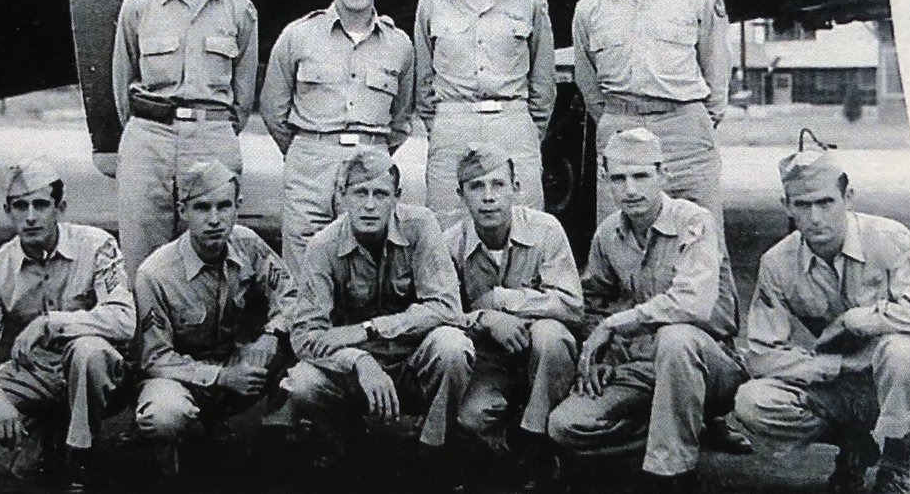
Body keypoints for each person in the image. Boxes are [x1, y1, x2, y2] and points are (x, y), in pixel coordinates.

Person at [734, 139, 910, 494]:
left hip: (905, 384)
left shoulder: (889, 238)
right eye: (802, 205)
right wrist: (838, 366)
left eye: (826, 202)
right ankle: (854, 442)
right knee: (752, 401)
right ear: (786, 207)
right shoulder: (777, 263)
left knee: (903, 352)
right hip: (841, 382)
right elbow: (760, 355)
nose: (816, 217)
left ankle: (895, 461)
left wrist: (859, 320)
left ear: (848, 197)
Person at [548, 129, 745, 494]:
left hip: (710, 364)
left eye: (641, 176)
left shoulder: (695, 221)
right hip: (640, 367)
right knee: (565, 426)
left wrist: (618, 323)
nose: (631, 189)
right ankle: (674, 430)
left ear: (663, 175)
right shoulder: (608, 234)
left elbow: (693, 303)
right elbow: (593, 301)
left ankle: (672, 474)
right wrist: (604, 351)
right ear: (606, 180)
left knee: (676, 338)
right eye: (619, 178)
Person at [0, 158, 134, 489]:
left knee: (86, 350)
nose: (30, 217)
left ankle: (79, 456)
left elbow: (124, 319)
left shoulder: (97, 245)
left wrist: (50, 323)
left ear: (61, 207)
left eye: (41, 205)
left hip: (100, 376)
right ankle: (40, 435)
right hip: (37, 376)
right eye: (20, 206)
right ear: (7, 210)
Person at [282, 148, 474, 454]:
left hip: (413, 360)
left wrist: (371, 328)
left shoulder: (421, 226)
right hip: (355, 369)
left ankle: (434, 446)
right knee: (303, 382)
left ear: (397, 196)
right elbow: (305, 335)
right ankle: (349, 441)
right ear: (342, 195)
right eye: (360, 193)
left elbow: (447, 307)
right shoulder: (323, 247)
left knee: (452, 346)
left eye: (381, 194)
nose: (370, 205)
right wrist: (359, 360)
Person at [111, 0, 258, 281]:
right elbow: (123, 83)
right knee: (142, 261)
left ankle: (208, 342)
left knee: (211, 256)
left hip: (211, 136)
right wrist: (153, 128)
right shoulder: (139, 5)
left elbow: (242, 99)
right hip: (150, 140)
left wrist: (207, 129)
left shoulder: (239, 9)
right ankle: (148, 344)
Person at [571, 0, 731, 232]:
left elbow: (716, 75)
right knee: (619, 242)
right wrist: (619, 121)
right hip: (621, 128)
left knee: (703, 243)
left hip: (685, 133)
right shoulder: (590, 8)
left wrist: (692, 121)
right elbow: (589, 83)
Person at [260, 0, 414, 275]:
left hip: (369, 166)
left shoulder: (399, 45)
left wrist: (374, 153)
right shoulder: (298, 36)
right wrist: (307, 149)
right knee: (302, 268)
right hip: (310, 163)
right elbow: (273, 108)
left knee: (360, 269)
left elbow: (401, 117)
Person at [133, 161, 297, 476]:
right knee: (165, 415)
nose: (214, 220)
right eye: (202, 208)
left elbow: (292, 296)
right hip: (177, 377)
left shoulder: (247, 243)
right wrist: (220, 377)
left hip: (232, 360)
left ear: (238, 207)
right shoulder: (155, 273)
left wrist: (272, 333)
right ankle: (169, 448)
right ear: (183, 211)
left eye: (224, 207)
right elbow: (153, 357)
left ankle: (279, 441)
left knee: (300, 339)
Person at [414, 0, 555, 225]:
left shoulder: (528, 2)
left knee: (524, 225)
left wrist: (523, 128)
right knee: (448, 228)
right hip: (453, 122)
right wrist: (446, 125)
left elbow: (543, 84)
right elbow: (423, 85)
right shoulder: (432, 5)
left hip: (512, 123)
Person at [444, 142, 583, 478]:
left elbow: (571, 304)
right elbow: (440, 311)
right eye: (476, 187)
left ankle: (537, 441)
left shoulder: (546, 230)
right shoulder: (449, 244)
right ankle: (510, 444)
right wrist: (485, 318)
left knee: (550, 334)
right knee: (472, 419)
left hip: (544, 358)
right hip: (489, 360)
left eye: (498, 185)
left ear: (516, 189)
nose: (488, 197)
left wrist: (500, 300)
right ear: (461, 194)